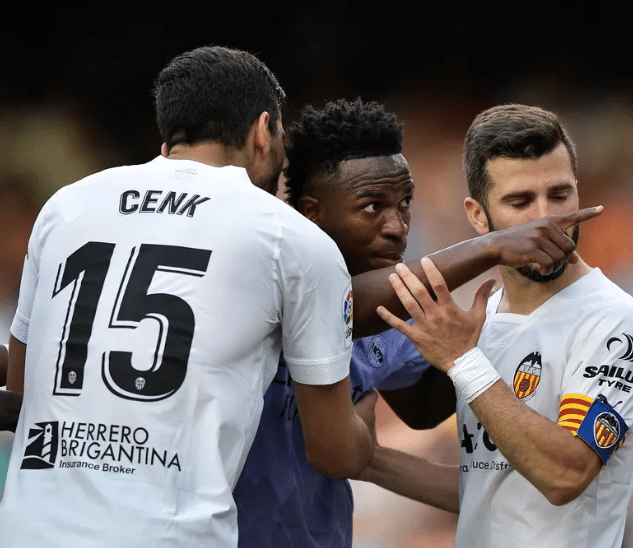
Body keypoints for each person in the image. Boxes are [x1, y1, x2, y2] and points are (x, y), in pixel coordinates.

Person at [0, 45, 373, 548]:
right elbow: (335, 454)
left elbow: (23, 394)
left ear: (169, 134)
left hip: (28, 529)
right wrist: (367, 409)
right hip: (166, 535)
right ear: (263, 130)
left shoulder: (66, 205)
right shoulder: (294, 239)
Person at [233, 98, 604, 547]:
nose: (398, 226)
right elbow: (335, 304)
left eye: (404, 202)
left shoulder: (391, 311)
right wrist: (491, 246)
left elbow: (423, 408)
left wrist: (478, 346)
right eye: (372, 207)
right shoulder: (261, 280)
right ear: (313, 213)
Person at [376, 104, 633, 548]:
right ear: (478, 217)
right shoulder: (483, 315)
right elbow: (490, 485)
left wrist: (462, 360)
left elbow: (564, 474)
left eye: (559, 194)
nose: (545, 217)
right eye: (520, 201)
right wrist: (370, 464)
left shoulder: (615, 322)